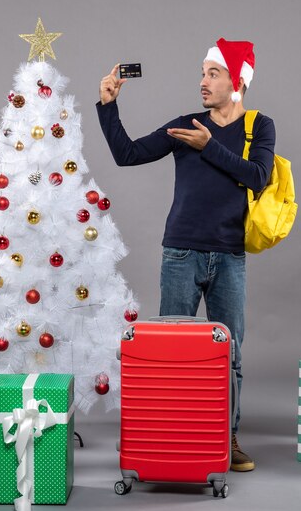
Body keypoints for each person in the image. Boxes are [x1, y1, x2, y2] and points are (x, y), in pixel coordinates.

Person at [96, 38, 275, 472]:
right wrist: (108, 106)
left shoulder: (259, 126)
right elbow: (127, 155)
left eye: (213, 73)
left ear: (238, 82)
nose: (203, 82)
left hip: (229, 257)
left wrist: (208, 145)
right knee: (171, 352)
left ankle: (225, 439)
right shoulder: (185, 123)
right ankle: (166, 436)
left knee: (229, 352)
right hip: (180, 253)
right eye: (202, 73)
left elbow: (259, 177)